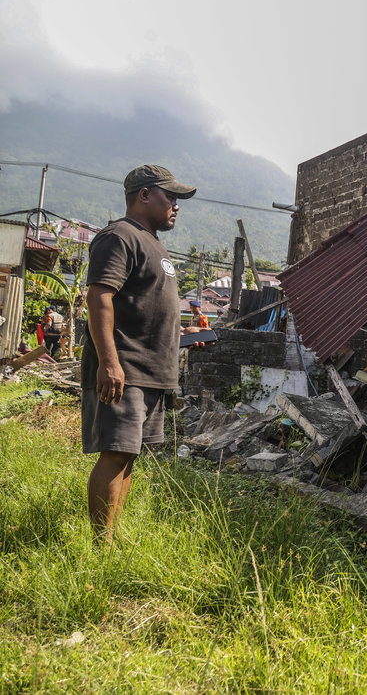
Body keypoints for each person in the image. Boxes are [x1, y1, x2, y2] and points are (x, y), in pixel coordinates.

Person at [81, 165, 209, 544]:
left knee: (129, 455)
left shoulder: (153, 243)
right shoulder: (119, 237)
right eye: (171, 197)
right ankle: (101, 547)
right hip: (126, 368)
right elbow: (99, 297)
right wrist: (109, 362)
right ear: (145, 195)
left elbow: (145, 309)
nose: (176, 205)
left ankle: (112, 538)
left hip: (151, 373)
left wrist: (184, 334)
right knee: (115, 453)